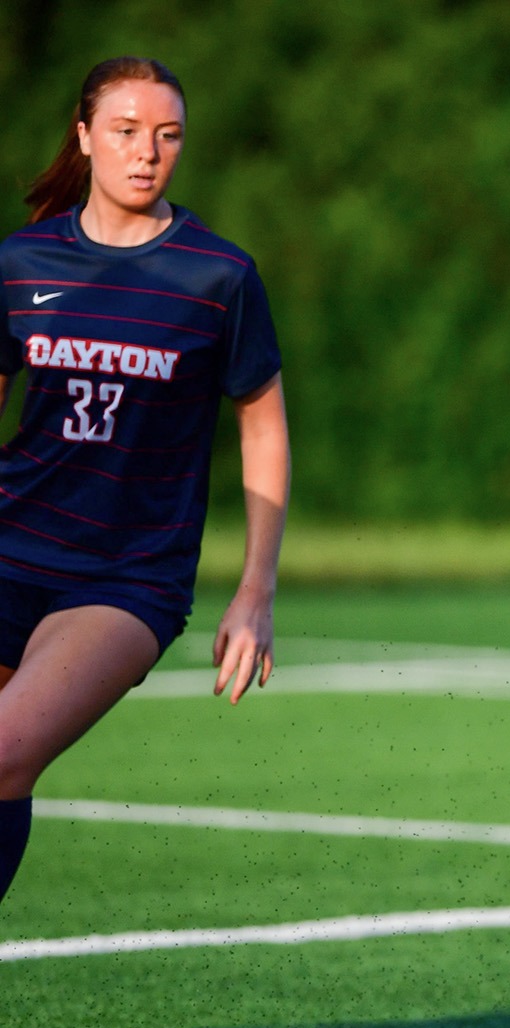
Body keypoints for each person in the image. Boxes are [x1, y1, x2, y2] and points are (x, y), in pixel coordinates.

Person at [0, 57, 289, 905]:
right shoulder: (20, 262)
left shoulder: (217, 277)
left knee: (6, 751)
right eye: (125, 132)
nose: (147, 153)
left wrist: (255, 589)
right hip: (11, 546)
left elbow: (263, 424)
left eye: (167, 136)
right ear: (85, 137)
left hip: (126, 578)